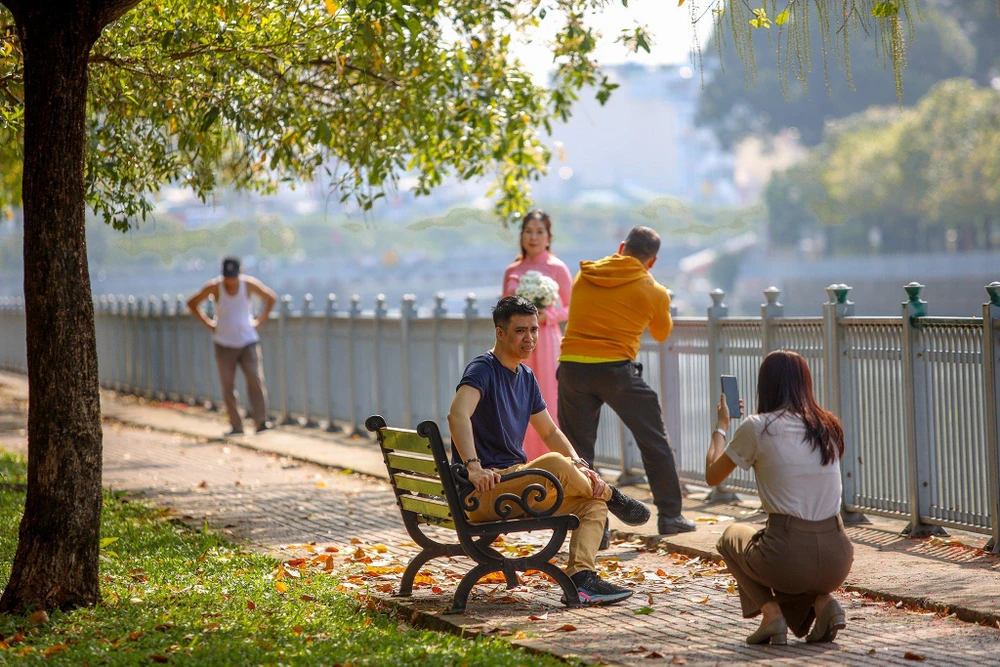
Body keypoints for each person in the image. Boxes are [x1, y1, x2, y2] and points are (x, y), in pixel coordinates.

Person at [448, 296, 651, 605]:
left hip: (513, 486)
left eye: (533, 330)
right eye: (520, 331)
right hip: (483, 490)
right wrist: (473, 466)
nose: (529, 338)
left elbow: (550, 431)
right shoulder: (482, 369)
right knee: (557, 464)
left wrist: (582, 465)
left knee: (591, 505)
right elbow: (457, 414)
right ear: (500, 333)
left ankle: (582, 579)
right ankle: (613, 496)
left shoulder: (526, 377)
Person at [706, 350, 853, 645]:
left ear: (765, 386)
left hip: (788, 552)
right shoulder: (827, 426)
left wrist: (722, 426)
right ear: (805, 384)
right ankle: (824, 602)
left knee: (731, 538)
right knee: (790, 568)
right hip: (838, 555)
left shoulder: (758, 426)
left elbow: (712, 476)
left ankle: (772, 615)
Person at [557, 226, 694, 537]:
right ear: (653, 261)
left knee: (578, 453)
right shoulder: (653, 290)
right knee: (653, 441)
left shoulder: (585, 275)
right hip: (616, 372)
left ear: (622, 247)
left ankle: (594, 529)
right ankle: (671, 516)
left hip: (572, 369)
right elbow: (661, 333)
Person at [501, 210, 573, 460]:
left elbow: (570, 307)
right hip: (515, 343)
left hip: (546, 343)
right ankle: (518, 461)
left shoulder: (557, 268)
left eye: (539, 231)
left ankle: (553, 465)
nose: (533, 237)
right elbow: (503, 309)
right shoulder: (512, 269)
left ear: (548, 236)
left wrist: (547, 317)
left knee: (546, 399)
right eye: (528, 231)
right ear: (521, 235)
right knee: (514, 399)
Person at [187, 257, 278, 436]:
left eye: (233, 277)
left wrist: (260, 321)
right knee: (228, 385)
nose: (230, 281)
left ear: (240, 272)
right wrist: (209, 324)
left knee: (255, 380)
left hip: (248, 341)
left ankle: (261, 421)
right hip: (224, 343)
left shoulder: (249, 284)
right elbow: (192, 303)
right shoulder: (215, 287)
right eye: (227, 277)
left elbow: (271, 298)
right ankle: (236, 425)